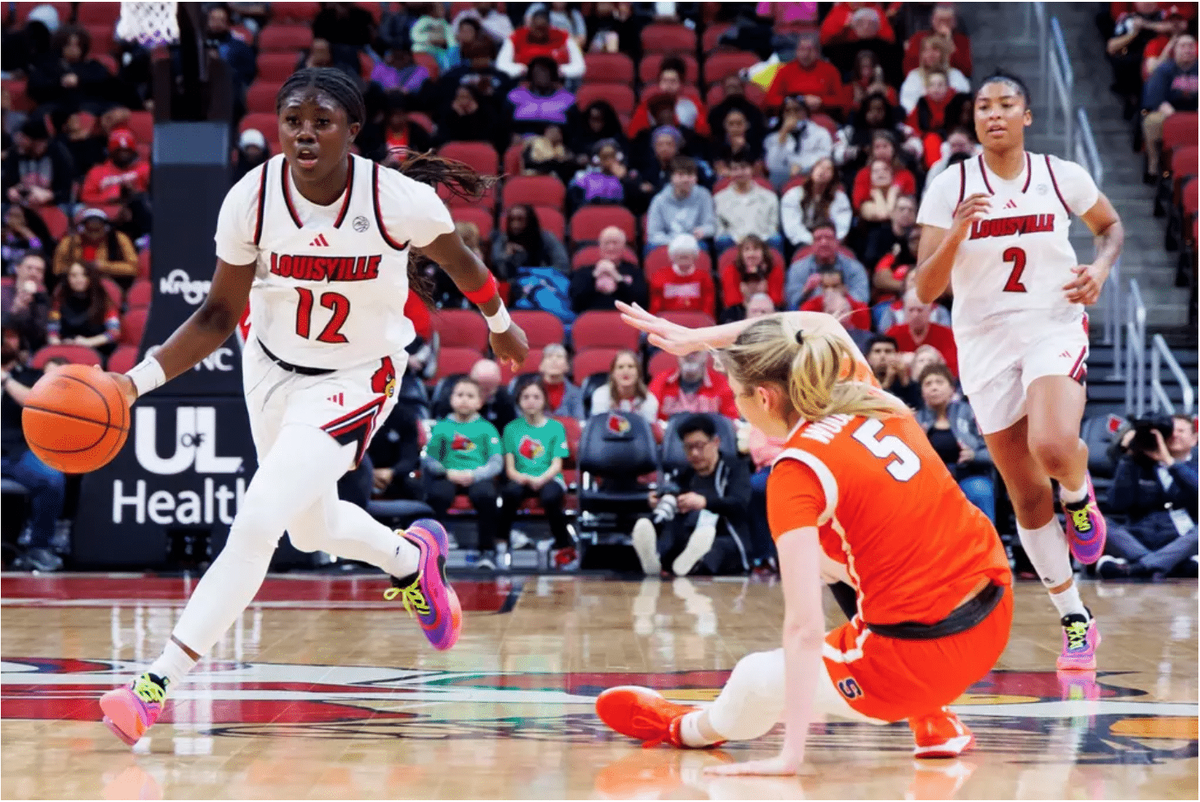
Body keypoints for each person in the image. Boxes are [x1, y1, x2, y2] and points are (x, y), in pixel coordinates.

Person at [97, 68, 530, 747]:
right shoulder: (252, 199)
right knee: (311, 529)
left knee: (260, 518)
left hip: (358, 376)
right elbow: (215, 314)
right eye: (293, 118)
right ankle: (412, 560)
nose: (304, 131)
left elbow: (459, 259)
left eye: (321, 120)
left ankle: (155, 684)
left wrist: (500, 321)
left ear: (352, 132)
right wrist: (130, 385)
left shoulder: (397, 200)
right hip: (269, 369)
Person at [599, 305, 1012, 767]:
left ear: (764, 398)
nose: (737, 409)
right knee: (833, 550)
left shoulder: (796, 469)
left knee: (755, 677)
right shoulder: (866, 395)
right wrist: (702, 338)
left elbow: (803, 629)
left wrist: (789, 755)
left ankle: (685, 728)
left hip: (917, 663)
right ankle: (933, 720)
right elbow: (820, 324)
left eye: (737, 396)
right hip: (995, 614)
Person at [914, 70, 1124, 671]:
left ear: (1027, 116)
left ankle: (1081, 499)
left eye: (1007, 105)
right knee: (1028, 497)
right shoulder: (950, 186)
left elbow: (1110, 228)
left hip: (1051, 323)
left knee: (1055, 444)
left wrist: (1101, 269)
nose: (995, 114)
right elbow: (924, 287)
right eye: (983, 106)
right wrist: (957, 232)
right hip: (984, 342)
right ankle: (1075, 620)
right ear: (973, 119)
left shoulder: (1061, 175)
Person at [630, 414, 751, 577]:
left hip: (725, 534)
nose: (694, 453)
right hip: (691, 534)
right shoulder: (686, 473)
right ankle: (658, 561)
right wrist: (660, 501)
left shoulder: (734, 468)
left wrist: (705, 502)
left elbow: (740, 504)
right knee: (673, 532)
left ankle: (690, 563)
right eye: (688, 447)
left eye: (699, 446)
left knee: (715, 549)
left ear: (715, 442)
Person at [1099, 415, 1198, 579]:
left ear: (1195, 439)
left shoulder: (1196, 466)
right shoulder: (1137, 464)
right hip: (1137, 539)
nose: (1174, 435)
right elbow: (1116, 503)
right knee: (1097, 522)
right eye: (1170, 431)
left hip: (1179, 539)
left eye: (1181, 431)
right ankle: (1166, 565)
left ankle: (1136, 567)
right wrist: (1129, 456)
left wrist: (1170, 462)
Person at [424, 377, 506, 570]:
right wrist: (447, 471)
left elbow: (496, 462)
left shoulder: (487, 428)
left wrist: (475, 474)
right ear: (451, 399)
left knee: (486, 495)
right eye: (460, 395)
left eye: (470, 396)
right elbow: (430, 460)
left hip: (477, 476)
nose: (464, 400)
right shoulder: (442, 427)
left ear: (480, 402)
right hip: (449, 475)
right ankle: (433, 550)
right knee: (437, 495)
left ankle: (486, 551)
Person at [0, 340, 66, 572]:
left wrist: (6, 380)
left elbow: (36, 403)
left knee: (51, 479)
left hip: (18, 452)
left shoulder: (30, 376)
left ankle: (39, 548)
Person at [499, 375, 576, 569]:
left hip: (549, 477)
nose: (531, 401)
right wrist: (524, 478)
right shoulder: (511, 429)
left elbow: (557, 465)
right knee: (509, 494)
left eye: (536, 397)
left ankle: (564, 547)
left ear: (544, 401)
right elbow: (510, 469)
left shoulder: (556, 427)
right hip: (521, 477)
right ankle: (501, 544)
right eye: (526, 397)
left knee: (551, 498)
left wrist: (541, 478)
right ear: (519, 401)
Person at [914, 363, 994, 522]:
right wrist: (916, 443)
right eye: (928, 384)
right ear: (922, 392)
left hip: (967, 476)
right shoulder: (914, 420)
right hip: (930, 481)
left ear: (952, 389)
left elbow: (993, 453)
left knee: (980, 490)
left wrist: (974, 455)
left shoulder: (970, 413)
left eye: (939, 382)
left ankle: (988, 545)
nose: (934, 387)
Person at [1140, 33, 1197, 180]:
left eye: (1191, 46)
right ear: (1175, 50)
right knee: (1152, 121)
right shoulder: (1164, 70)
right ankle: (1153, 163)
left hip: (1195, 113)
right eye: (1183, 46)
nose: (1187, 50)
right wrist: (1169, 112)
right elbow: (1155, 98)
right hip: (1169, 112)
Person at [784, 220, 870, 308]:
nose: (823, 243)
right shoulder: (797, 269)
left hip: (845, 312)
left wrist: (844, 295)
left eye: (828, 238)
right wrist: (806, 291)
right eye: (818, 239)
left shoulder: (855, 267)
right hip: (809, 315)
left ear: (837, 242)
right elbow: (791, 302)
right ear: (812, 243)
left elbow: (863, 299)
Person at [46, 260, 121, 357]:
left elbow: (114, 333)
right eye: (73, 275)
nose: (79, 279)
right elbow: (52, 329)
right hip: (67, 349)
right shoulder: (59, 298)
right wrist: (58, 344)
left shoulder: (104, 299)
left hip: (97, 350)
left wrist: (88, 342)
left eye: (84, 275)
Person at [568, 224, 646, 313]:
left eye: (615, 243)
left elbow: (641, 303)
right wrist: (594, 276)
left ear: (624, 246)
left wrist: (617, 277)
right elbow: (575, 302)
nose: (611, 247)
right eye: (606, 243)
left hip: (626, 320)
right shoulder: (584, 272)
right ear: (600, 246)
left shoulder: (634, 271)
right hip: (590, 319)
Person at [52, 208, 139, 287]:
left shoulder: (119, 239)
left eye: (97, 230)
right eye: (90, 230)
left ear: (106, 228)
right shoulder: (70, 242)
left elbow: (134, 268)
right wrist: (77, 269)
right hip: (77, 285)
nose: (94, 235)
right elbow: (57, 269)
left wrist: (104, 266)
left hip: (110, 284)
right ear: (81, 228)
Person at [714, 153, 781, 253]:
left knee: (776, 239)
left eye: (744, 168)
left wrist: (757, 240)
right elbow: (720, 228)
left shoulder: (769, 197)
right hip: (733, 241)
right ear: (730, 172)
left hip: (763, 239)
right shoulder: (719, 198)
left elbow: (773, 226)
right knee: (722, 240)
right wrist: (737, 239)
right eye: (735, 169)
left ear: (752, 169)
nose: (739, 172)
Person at [763, 96, 834, 190]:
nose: (792, 114)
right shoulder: (774, 136)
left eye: (797, 110)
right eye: (788, 110)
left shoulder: (820, 132)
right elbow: (772, 165)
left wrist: (801, 166)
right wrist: (783, 133)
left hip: (811, 171)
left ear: (805, 111)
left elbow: (825, 155)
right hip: (785, 174)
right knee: (776, 176)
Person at [780, 157, 853, 247]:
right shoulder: (793, 195)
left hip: (830, 241)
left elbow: (842, 228)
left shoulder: (840, 198)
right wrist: (814, 241)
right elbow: (792, 227)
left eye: (828, 169)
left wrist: (828, 241)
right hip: (802, 241)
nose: (822, 171)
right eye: (820, 166)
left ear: (833, 176)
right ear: (812, 170)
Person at [645, 157, 716, 250]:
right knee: (651, 248)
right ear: (671, 177)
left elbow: (711, 226)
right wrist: (676, 242)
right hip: (667, 243)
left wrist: (703, 231)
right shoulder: (659, 200)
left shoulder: (704, 195)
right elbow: (653, 234)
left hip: (694, 241)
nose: (686, 179)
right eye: (681, 175)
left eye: (690, 175)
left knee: (704, 246)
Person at [885, 288, 958, 376]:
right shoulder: (893, 333)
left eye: (920, 310)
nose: (915, 315)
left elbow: (953, 369)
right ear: (904, 311)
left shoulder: (946, 334)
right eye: (911, 310)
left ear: (930, 311)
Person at [650, 351, 738, 423]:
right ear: (677, 356)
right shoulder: (661, 380)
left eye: (695, 352)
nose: (690, 356)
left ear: (706, 356)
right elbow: (652, 418)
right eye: (685, 351)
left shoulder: (721, 382)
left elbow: (730, 420)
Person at [647, 233, 715, 318]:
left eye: (686, 255)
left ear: (695, 256)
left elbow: (708, 307)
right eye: (679, 255)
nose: (683, 259)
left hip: (696, 322)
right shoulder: (660, 276)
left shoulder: (704, 278)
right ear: (672, 256)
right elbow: (655, 306)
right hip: (667, 322)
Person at [79, 128, 151, 206]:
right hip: (107, 211)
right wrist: (110, 198)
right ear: (111, 152)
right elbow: (86, 197)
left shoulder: (145, 168)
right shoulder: (97, 171)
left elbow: (156, 194)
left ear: (133, 151)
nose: (123, 155)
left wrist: (136, 193)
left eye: (127, 151)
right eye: (119, 151)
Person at [589, 348, 658, 424]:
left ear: (638, 372)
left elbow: (648, 431)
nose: (625, 371)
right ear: (613, 374)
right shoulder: (601, 395)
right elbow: (599, 426)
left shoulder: (648, 399)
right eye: (620, 367)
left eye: (630, 366)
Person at [2, 252, 51, 355]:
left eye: (39, 270)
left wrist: (29, 309)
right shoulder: (2, 290)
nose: (34, 273)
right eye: (29, 268)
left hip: (26, 353)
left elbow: (38, 335)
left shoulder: (42, 297)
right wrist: (14, 310)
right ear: (17, 268)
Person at [864, 333, 920, 409]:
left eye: (888, 351)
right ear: (868, 358)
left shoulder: (906, 382)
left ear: (897, 356)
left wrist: (904, 381)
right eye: (877, 351)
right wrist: (887, 382)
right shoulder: (862, 381)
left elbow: (917, 409)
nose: (882, 356)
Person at [537, 343, 584, 419]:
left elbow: (579, 422)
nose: (554, 360)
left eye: (559, 357)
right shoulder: (528, 390)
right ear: (541, 366)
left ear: (567, 366)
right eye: (549, 356)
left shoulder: (576, 392)